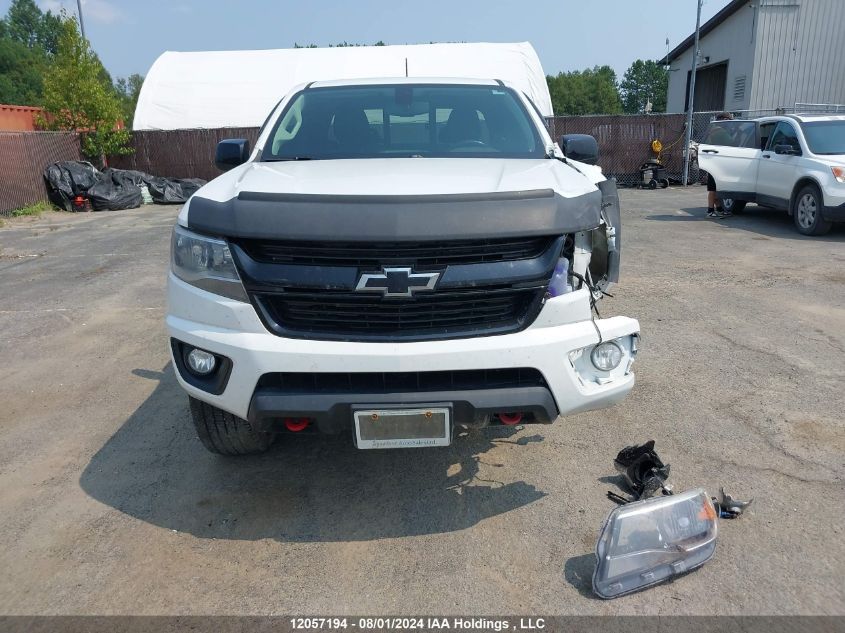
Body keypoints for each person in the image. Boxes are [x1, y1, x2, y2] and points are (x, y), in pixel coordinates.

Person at [706, 112, 734, 218]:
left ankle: (719, 209)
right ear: (723, 120)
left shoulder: (714, 129)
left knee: (716, 188)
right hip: (716, 164)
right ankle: (710, 211)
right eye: (729, 120)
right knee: (713, 188)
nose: (730, 123)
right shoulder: (720, 131)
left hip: (714, 162)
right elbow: (731, 143)